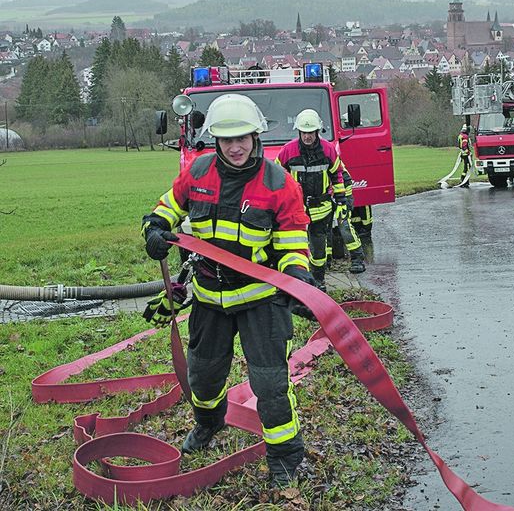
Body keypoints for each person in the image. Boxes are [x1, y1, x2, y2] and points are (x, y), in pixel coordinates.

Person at [141, 94, 313, 488]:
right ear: (214, 140)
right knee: (202, 379)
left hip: (260, 301)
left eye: (243, 138)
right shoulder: (198, 172)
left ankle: (286, 456)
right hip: (208, 299)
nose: (235, 147)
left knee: (269, 385)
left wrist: (296, 280)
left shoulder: (279, 183)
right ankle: (208, 424)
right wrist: (154, 227)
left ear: (256, 137)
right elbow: (169, 206)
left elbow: (291, 243)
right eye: (226, 139)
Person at [275, 108, 345, 291]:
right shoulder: (288, 151)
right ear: (299, 131)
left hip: (321, 208)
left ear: (317, 132)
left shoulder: (328, 150)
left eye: (311, 132)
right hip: (295, 209)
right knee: (293, 246)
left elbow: (337, 174)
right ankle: (294, 281)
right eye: (304, 132)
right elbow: (275, 175)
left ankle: (318, 280)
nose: (307, 136)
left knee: (319, 248)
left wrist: (342, 198)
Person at [327, 160, 366, 273]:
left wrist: (343, 200)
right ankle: (326, 262)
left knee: (344, 225)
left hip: (342, 192)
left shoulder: (327, 153)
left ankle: (357, 259)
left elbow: (345, 178)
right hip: (324, 195)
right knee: (323, 228)